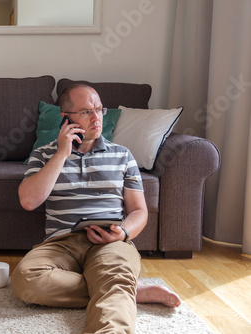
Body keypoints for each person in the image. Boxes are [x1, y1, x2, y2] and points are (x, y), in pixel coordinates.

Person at [11, 84, 181, 333]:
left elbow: (138, 211)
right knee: (25, 279)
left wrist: (122, 233)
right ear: (66, 118)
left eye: (99, 109)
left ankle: (117, 290)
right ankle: (126, 289)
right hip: (60, 244)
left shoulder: (123, 156)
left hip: (110, 242)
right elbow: (28, 201)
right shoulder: (44, 155)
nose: (96, 117)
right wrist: (61, 154)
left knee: (113, 281)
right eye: (86, 112)